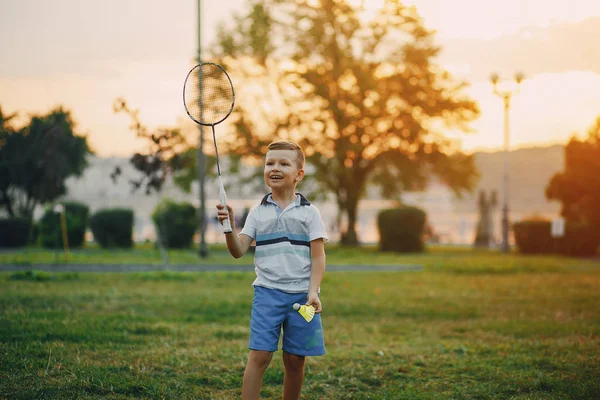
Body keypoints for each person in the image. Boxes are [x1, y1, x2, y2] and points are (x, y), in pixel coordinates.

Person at [216, 140, 328, 400]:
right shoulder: (257, 212)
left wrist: (314, 291)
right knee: (260, 355)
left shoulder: (310, 213)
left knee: (295, 359)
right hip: (267, 293)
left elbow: (318, 256)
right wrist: (228, 227)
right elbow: (238, 250)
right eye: (270, 163)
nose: (274, 168)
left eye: (283, 163)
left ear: (299, 174)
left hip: (303, 296)